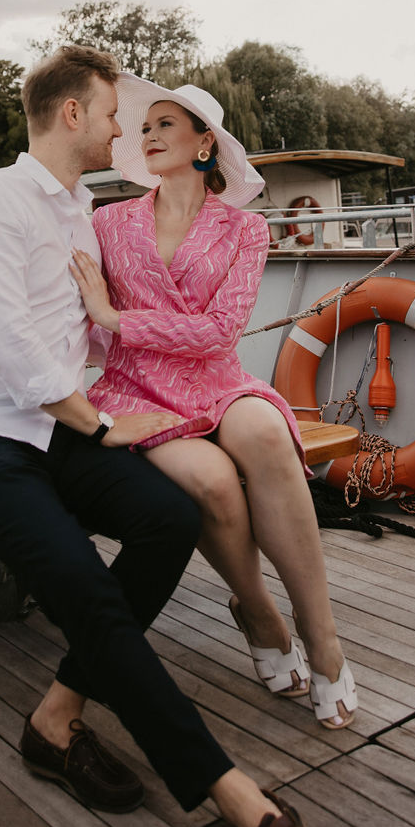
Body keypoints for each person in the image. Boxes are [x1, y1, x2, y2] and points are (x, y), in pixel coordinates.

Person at [0, 45, 344, 827]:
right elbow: (8, 347)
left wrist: (105, 411)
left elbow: (99, 327)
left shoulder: (81, 212)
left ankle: (56, 716)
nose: (123, 129)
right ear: (73, 113)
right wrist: (106, 425)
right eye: (114, 112)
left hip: (54, 428)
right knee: (85, 589)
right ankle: (241, 802)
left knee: (165, 513)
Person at [72, 77, 357, 731]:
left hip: (217, 380)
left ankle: (322, 636)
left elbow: (220, 331)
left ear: (206, 143)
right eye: (144, 127)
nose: (148, 136)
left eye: (165, 125)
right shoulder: (106, 224)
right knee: (212, 483)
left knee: (264, 434)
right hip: (138, 387)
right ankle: (256, 608)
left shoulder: (245, 230)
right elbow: (79, 317)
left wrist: (117, 318)